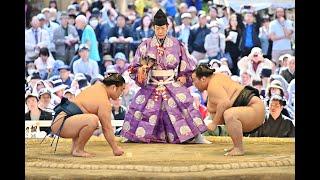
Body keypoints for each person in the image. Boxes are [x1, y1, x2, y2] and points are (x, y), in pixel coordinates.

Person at [121, 9, 208, 144]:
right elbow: (134, 66)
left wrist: (184, 76)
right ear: (153, 28)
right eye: (157, 28)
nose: (160, 31)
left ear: (167, 27)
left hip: (171, 82)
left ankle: (195, 136)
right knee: (140, 106)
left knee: (184, 103)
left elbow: (186, 63)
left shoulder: (177, 44)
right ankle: (133, 136)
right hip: (151, 82)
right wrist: (141, 71)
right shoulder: (145, 45)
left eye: (162, 28)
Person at [191, 64, 265, 155]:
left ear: (203, 79)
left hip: (254, 108)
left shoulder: (213, 86)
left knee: (229, 114)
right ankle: (236, 146)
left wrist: (214, 123)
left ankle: (239, 148)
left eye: (194, 80)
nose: (193, 84)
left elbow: (225, 103)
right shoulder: (217, 78)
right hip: (252, 108)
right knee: (229, 114)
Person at [50, 73, 126, 157]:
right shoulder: (104, 102)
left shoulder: (98, 87)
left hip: (62, 120)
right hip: (62, 123)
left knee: (87, 118)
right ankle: (78, 149)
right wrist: (115, 148)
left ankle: (75, 148)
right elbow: (107, 128)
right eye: (121, 90)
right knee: (92, 120)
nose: (121, 93)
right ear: (114, 88)